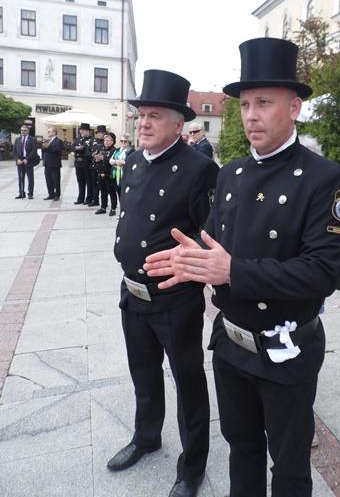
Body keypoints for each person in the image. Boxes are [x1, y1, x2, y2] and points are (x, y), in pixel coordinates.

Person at [145, 38, 340, 497]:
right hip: (232, 345)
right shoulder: (232, 173)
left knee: (290, 466)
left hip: (286, 349)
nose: (251, 115)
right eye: (244, 104)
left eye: (264, 103)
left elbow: (323, 272)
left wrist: (232, 271)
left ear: (294, 107)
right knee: (242, 449)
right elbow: (213, 240)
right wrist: (189, 257)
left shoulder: (323, 178)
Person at [108, 69, 219, 497]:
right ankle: (146, 436)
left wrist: (188, 254)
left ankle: (192, 467)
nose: (144, 123)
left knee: (187, 380)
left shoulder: (200, 169)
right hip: (132, 292)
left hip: (174, 298)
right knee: (142, 370)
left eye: (154, 116)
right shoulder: (135, 161)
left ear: (177, 125)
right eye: (141, 116)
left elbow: (213, 232)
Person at [93, 132, 117, 216]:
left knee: (111, 192)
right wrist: (96, 160)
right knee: (103, 192)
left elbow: (112, 162)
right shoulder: (101, 149)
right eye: (105, 140)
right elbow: (95, 160)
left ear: (112, 141)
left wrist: (103, 158)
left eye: (108, 140)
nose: (106, 142)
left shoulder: (114, 150)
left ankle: (113, 208)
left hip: (109, 174)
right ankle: (103, 207)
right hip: (100, 173)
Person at [12, 124, 39, 199]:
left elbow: (34, 151)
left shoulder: (32, 139)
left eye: (25, 130)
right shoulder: (17, 139)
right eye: (22, 130)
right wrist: (17, 159)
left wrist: (27, 159)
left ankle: (30, 194)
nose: (23, 132)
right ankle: (21, 193)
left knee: (30, 178)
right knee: (21, 178)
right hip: (19, 161)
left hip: (28, 161)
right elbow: (14, 151)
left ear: (28, 131)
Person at [72, 123, 93, 205]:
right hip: (78, 163)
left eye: (83, 130)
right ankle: (80, 198)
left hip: (87, 163)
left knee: (89, 182)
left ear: (88, 131)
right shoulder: (78, 139)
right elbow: (73, 148)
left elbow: (89, 151)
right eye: (81, 130)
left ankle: (89, 199)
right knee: (80, 182)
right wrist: (79, 149)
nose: (82, 132)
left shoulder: (91, 140)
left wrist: (81, 149)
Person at [42, 127, 63, 201]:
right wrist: (44, 147)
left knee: (56, 180)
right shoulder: (47, 140)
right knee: (48, 180)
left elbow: (58, 150)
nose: (48, 133)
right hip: (47, 163)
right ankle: (51, 194)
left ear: (54, 133)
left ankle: (57, 195)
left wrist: (48, 147)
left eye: (49, 131)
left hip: (55, 164)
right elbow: (43, 150)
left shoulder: (58, 141)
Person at [110, 134, 134, 198]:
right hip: (116, 174)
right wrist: (117, 162)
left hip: (125, 175)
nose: (123, 142)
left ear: (129, 142)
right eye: (121, 141)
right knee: (118, 192)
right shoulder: (117, 150)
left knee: (125, 194)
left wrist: (120, 162)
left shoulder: (131, 151)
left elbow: (129, 162)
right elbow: (111, 161)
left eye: (125, 141)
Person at [87, 124, 106, 207]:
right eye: (98, 133)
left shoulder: (106, 141)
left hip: (102, 166)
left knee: (103, 185)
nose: (99, 134)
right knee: (94, 184)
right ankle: (95, 200)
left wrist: (101, 156)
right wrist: (92, 154)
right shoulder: (93, 141)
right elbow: (87, 152)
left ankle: (104, 202)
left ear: (104, 133)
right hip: (93, 165)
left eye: (101, 133)